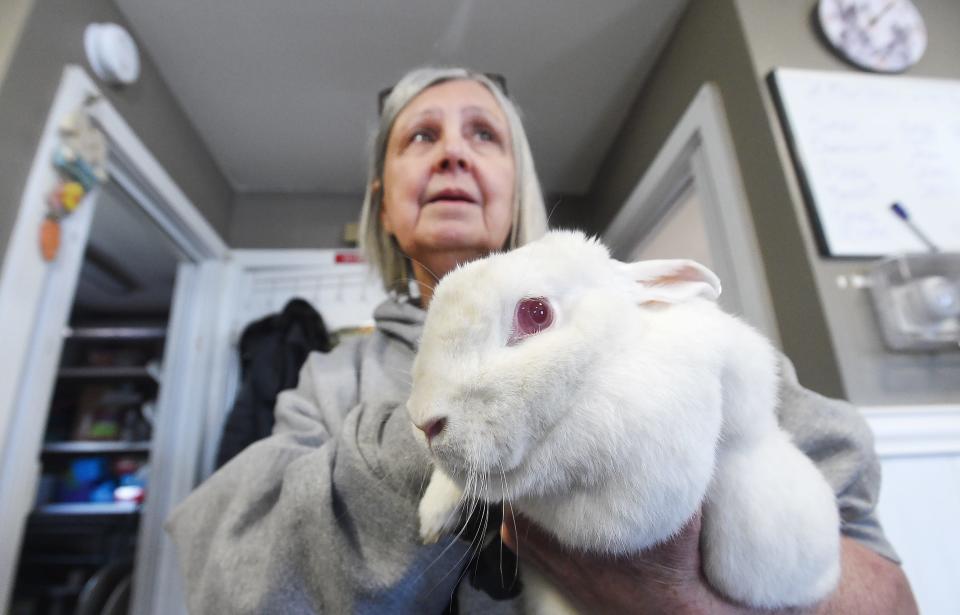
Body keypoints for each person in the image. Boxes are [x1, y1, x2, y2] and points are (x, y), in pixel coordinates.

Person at [166, 67, 916, 614]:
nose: (452, 154)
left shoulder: (669, 326)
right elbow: (234, 579)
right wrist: (434, 441)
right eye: (420, 137)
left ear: (517, 182)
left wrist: (682, 597)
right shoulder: (326, 383)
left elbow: (885, 590)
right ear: (384, 206)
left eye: (482, 135)